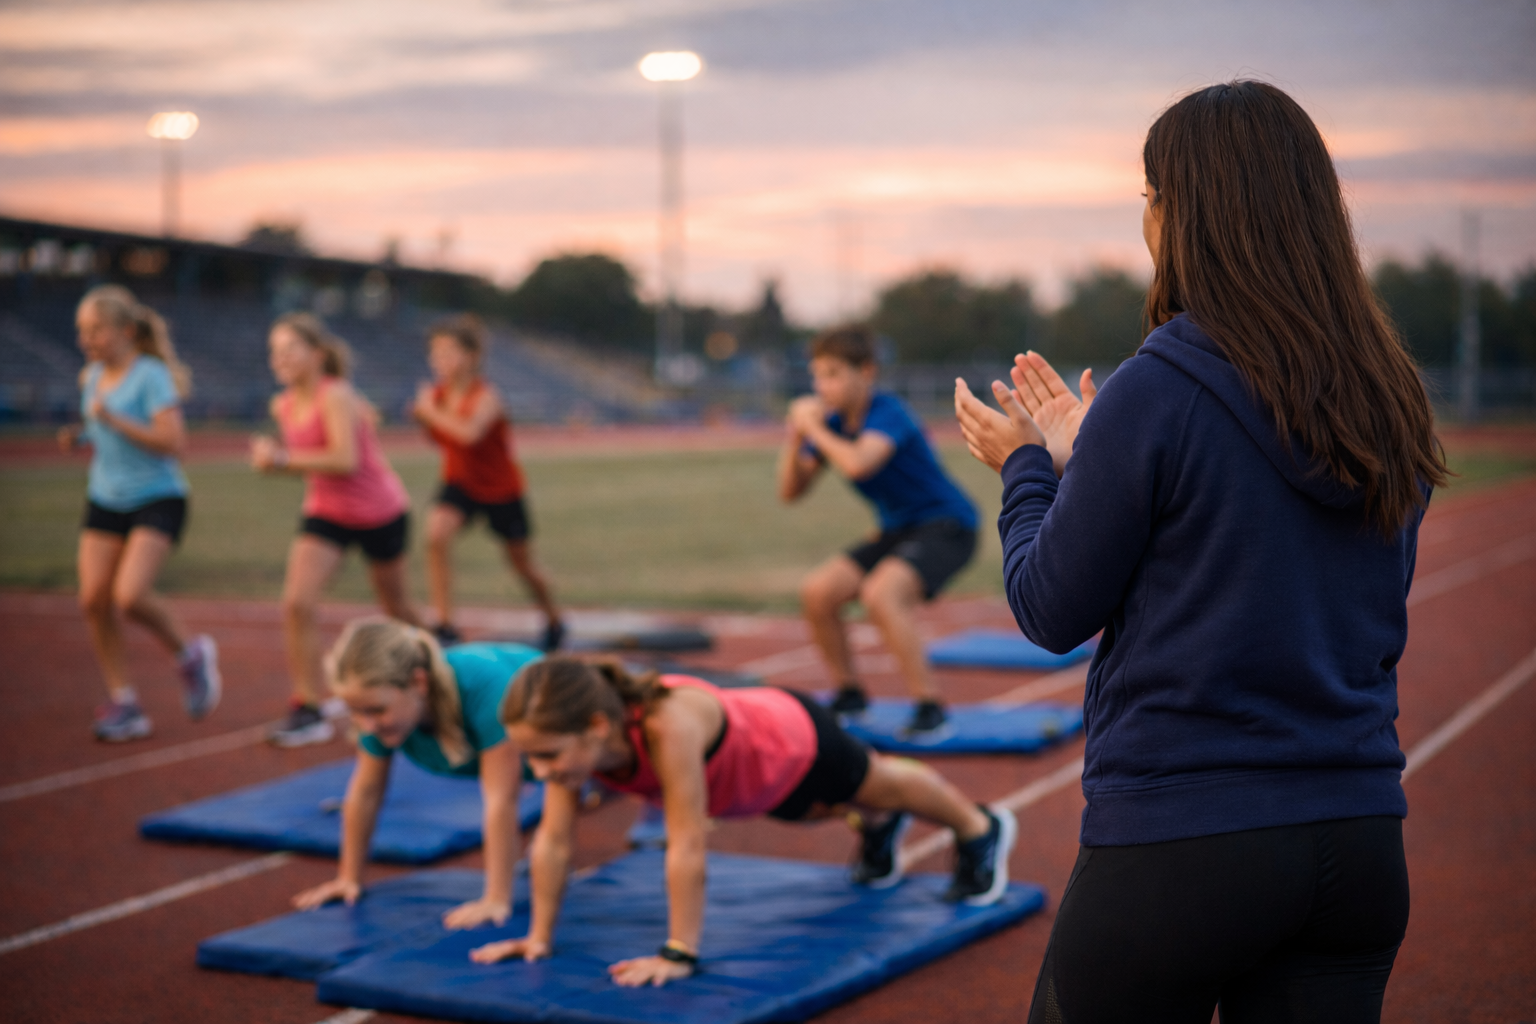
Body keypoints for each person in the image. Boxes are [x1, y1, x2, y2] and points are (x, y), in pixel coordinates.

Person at [954, 81, 1445, 1024]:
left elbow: (1049, 608)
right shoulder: (1388, 393)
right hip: (1358, 838)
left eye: (1150, 196)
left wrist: (1027, 469)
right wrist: (1097, 457)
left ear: (1184, 213)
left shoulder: (1160, 387)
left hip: (1183, 837)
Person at [467, 657, 1015, 986]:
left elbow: (686, 842)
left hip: (794, 740)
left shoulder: (666, 724)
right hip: (751, 784)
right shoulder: (574, 755)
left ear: (595, 725)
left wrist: (678, 952)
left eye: (547, 755)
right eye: (530, 757)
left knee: (879, 784)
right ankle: (877, 827)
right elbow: (554, 842)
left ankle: (978, 827)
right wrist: (538, 937)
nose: (540, 771)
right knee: (824, 812)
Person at [777, 325, 979, 738]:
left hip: (948, 525)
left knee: (881, 594)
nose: (822, 386)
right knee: (818, 593)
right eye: (817, 376)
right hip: (897, 530)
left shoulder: (889, 412)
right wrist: (796, 435)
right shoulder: (832, 423)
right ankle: (849, 694)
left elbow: (858, 463)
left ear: (866, 371)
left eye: (833, 374)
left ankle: (930, 708)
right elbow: (791, 492)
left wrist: (814, 430)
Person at [293, 618, 540, 928]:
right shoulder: (379, 709)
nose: (367, 724)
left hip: (567, 735)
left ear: (418, 683)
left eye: (376, 711)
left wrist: (496, 898)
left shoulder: (487, 690)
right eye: (355, 711)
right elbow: (366, 791)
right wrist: (348, 878)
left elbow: (501, 800)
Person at [251, 312, 426, 747]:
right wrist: (274, 458)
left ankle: (437, 664)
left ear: (317, 354)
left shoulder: (337, 394)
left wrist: (281, 459)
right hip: (327, 512)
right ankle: (307, 708)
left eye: (290, 349)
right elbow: (311, 461)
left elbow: (344, 460)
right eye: (274, 352)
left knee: (398, 610)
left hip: (379, 511)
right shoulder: (283, 404)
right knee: (297, 602)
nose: (280, 359)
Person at [60, 284, 220, 742]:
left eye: (97, 330)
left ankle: (190, 654)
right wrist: (82, 435)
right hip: (105, 497)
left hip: (157, 496)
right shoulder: (92, 376)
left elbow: (172, 442)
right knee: (93, 600)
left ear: (126, 331)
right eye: (82, 331)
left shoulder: (151, 375)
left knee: (129, 596)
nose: (87, 339)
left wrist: (114, 419)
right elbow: (100, 427)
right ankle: (124, 701)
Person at [411, 314, 565, 651]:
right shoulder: (437, 396)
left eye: (449, 352)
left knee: (523, 565)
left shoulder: (486, 397)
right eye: (435, 353)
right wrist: (427, 416)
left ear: (472, 356)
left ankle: (554, 618)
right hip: (460, 482)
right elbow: (440, 438)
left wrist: (429, 412)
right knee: (436, 535)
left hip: (501, 489)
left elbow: (469, 434)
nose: (440, 360)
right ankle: (445, 623)